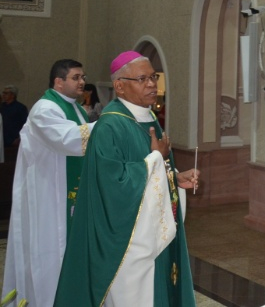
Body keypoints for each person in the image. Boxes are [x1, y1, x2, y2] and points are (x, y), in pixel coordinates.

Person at [54, 51, 199, 307]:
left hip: (153, 230)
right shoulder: (110, 126)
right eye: (142, 79)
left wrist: (175, 178)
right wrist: (156, 158)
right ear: (119, 86)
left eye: (153, 77)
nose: (152, 84)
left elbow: (151, 167)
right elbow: (113, 183)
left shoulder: (148, 117)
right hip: (127, 239)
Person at [3, 59, 94, 307]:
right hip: (47, 195)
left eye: (83, 77)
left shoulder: (75, 109)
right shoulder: (45, 108)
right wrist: (109, 124)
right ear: (58, 81)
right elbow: (67, 139)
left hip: (66, 193)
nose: (82, 82)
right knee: (49, 253)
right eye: (76, 77)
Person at [1, 85, 29, 149]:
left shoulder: (20, 108)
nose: (3, 95)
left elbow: (25, 124)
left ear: (12, 95)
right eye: (3, 93)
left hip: (13, 140)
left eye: (6, 93)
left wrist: (19, 138)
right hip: (2, 139)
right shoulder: (1, 107)